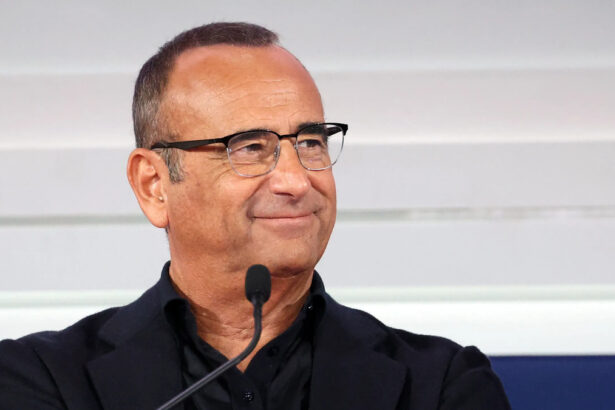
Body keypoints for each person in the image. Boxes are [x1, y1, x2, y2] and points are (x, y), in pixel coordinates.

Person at [0, 22, 510, 409]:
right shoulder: (41, 381)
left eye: (310, 142)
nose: (296, 180)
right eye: (248, 147)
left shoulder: (440, 385)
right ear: (154, 186)